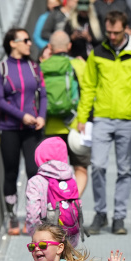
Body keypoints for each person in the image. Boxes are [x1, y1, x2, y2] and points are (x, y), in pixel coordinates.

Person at [77, 11, 131, 236]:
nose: (112, 36)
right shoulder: (98, 52)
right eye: (109, 32)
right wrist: (82, 116)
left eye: (116, 32)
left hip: (127, 118)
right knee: (98, 166)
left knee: (124, 169)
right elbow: (89, 85)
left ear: (126, 29)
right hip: (101, 117)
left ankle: (118, 218)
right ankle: (100, 213)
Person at [0, 28, 47, 235]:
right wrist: (21, 115)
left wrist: (41, 116)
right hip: (9, 129)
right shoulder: (1, 69)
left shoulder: (34, 67)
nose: (30, 43)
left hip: (32, 129)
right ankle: (13, 216)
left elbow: (43, 95)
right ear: (12, 43)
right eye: (25, 40)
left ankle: (32, 218)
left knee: (35, 172)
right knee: (11, 173)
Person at [42, 30, 89, 193]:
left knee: (54, 172)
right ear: (69, 46)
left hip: (50, 127)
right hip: (76, 125)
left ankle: (57, 205)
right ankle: (74, 202)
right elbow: (88, 93)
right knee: (80, 168)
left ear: (50, 47)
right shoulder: (78, 64)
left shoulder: (42, 66)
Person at [25, 137, 82, 244]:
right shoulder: (70, 177)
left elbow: (32, 213)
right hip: (70, 236)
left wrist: (35, 235)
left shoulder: (36, 181)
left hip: (46, 241)